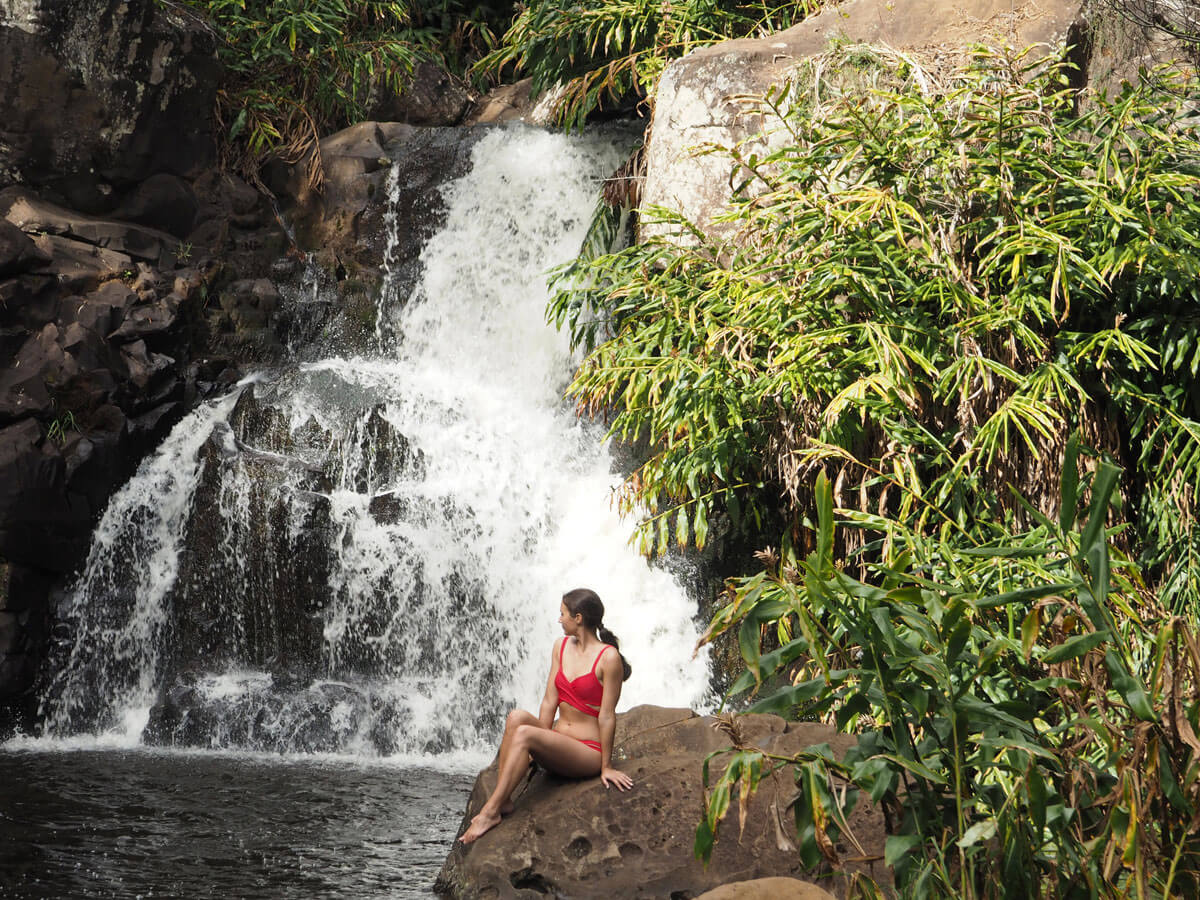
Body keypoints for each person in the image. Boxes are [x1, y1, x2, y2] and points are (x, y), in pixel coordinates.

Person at [459, 588, 634, 844]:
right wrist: (540, 739)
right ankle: (504, 799)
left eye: (562, 614)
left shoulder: (609, 658)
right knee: (516, 718)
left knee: (524, 733)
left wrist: (606, 766)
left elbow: (607, 716)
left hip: (587, 751)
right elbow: (550, 699)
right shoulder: (560, 646)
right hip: (559, 741)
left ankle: (490, 812)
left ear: (578, 618)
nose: (558, 619)